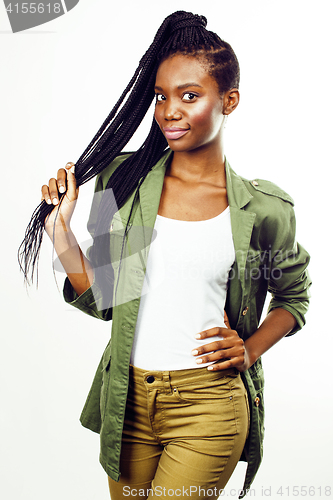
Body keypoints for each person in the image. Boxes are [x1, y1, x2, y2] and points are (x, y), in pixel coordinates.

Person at [21, 10, 311, 500]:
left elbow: (293, 298)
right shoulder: (124, 181)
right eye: (161, 96)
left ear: (230, 100)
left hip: (208, 405)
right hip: (128, 403)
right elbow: (108, 301)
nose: (168, 110)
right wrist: (61, 234)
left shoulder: (262, 208)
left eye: (189, 96)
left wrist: (250, 348)